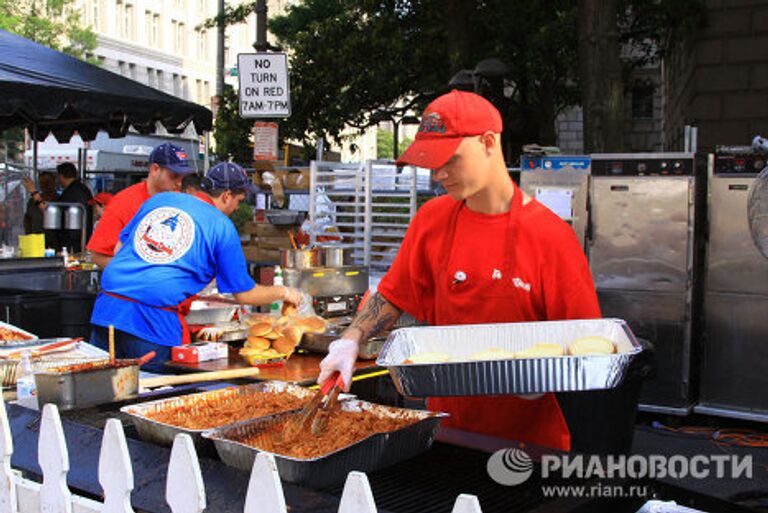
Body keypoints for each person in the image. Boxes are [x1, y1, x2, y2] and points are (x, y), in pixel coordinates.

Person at [317, 90, 601, 451]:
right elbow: (392, 295)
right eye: (432, 163)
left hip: (531, 444)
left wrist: (544, 375)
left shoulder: (551, 237)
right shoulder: (431, 221)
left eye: (449, 160)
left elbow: (587, 344)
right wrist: (350, 340)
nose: (438, 174)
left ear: (487, 143)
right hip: (446, 434)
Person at [89, 162, 304, 373]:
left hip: (106, 308)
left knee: (104, 390)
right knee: (152, 395)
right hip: (152, 321)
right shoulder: (221, 226)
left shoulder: (160, 201)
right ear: (226, 195)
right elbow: (245, 294)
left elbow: (119, 250)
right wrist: (285, 292)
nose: (237, 207)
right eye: (238, 200)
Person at [86, 142, 196, 268]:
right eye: (174, 176)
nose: (179, 183)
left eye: (183, 177)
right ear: (155, 169)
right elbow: (98, 256)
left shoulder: (184, 202)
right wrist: (138, 272)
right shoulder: (123, 202)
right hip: (134, 285)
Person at [52, 162, 94, 253]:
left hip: (72, 241)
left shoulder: (70, 193)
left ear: (61, 176)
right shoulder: (84, 189)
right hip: (83, 236)